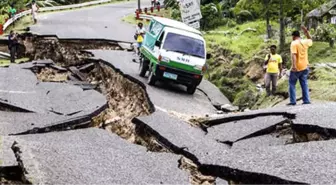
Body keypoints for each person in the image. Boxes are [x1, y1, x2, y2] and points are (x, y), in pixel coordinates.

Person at [288, 26, 313, 106]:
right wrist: (306, 32)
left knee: (292, 83)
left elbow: (294, 55)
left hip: (297, 67)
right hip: (305, 66)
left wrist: (294, 66)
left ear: (294, 36)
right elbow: (310, 40)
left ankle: (293, 101)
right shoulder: (305, 42)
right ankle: (306, 100)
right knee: (304, 83)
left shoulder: (294, 43)